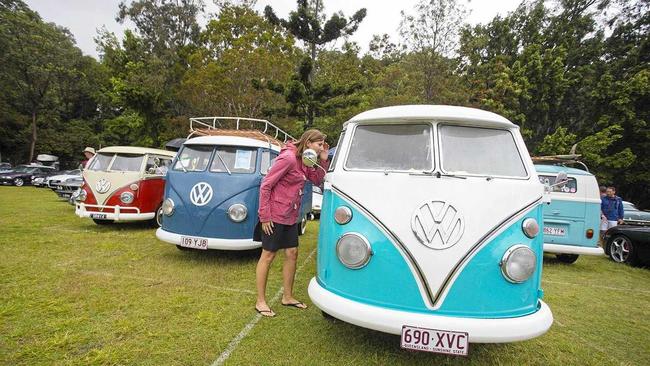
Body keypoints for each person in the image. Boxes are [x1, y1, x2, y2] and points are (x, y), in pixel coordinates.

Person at [255, 130, 329, 317]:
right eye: (319, 145)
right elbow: (266, 185)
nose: (321, 148)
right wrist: (264, 216)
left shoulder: (305, 160)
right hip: (274, 215)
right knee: (268, 255)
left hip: (290, 215)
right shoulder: (288, 158)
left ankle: (287, 297)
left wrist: (323, 158)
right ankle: (261, 301)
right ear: (309, 142)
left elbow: (318, 180)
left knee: (292, 253)